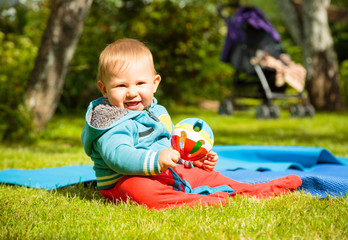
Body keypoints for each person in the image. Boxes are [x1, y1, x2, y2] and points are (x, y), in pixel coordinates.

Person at [81, 38, 302, 210]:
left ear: (155, 83)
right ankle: (194, 201)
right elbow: (119, 157)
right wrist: (158, 160)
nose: (131, 92)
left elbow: (169, 145)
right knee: (139, 190)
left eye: (140, 83)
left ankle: (255, 190)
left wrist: (194, 159)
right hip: (124, 179)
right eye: (121, 85)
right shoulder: (108, 121)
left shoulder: (156, 112)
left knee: (204, 175)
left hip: (164, 169)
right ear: (104, 89)